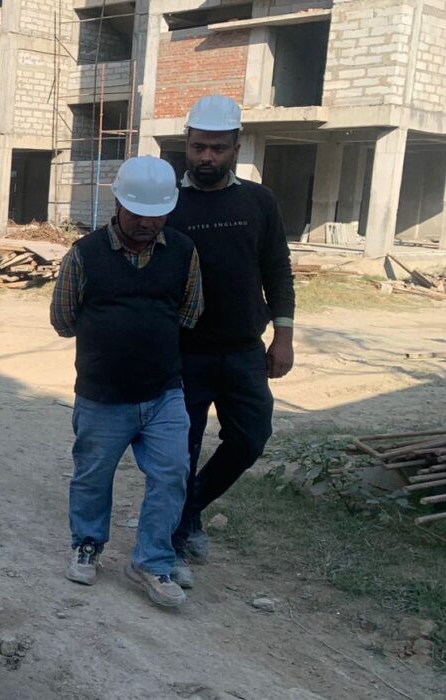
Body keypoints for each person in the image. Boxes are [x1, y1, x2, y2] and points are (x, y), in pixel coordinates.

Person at [51, 156, 204, 608]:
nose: (146, 223)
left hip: (163, 392)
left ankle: (152, 562)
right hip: (102, 394)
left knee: (172, 472)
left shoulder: (184, 252)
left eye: (157, 215)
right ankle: (87, 545)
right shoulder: (84, 254)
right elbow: (63, 319)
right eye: (138, 213)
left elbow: (190, 313)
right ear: (117, 203)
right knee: (93, 475)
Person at [165, 95, 295, 576]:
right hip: (186, 351)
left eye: (218, 149)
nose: (206, 157)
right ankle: (175, 534)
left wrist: (283, 335)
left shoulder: (258, 201)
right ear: (186, 144)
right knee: (182, 448)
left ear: (235, 148)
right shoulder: (169, 202)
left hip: (243, 350)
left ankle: (192, 505)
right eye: (199, 147)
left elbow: (277, 269)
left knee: (251, 438)